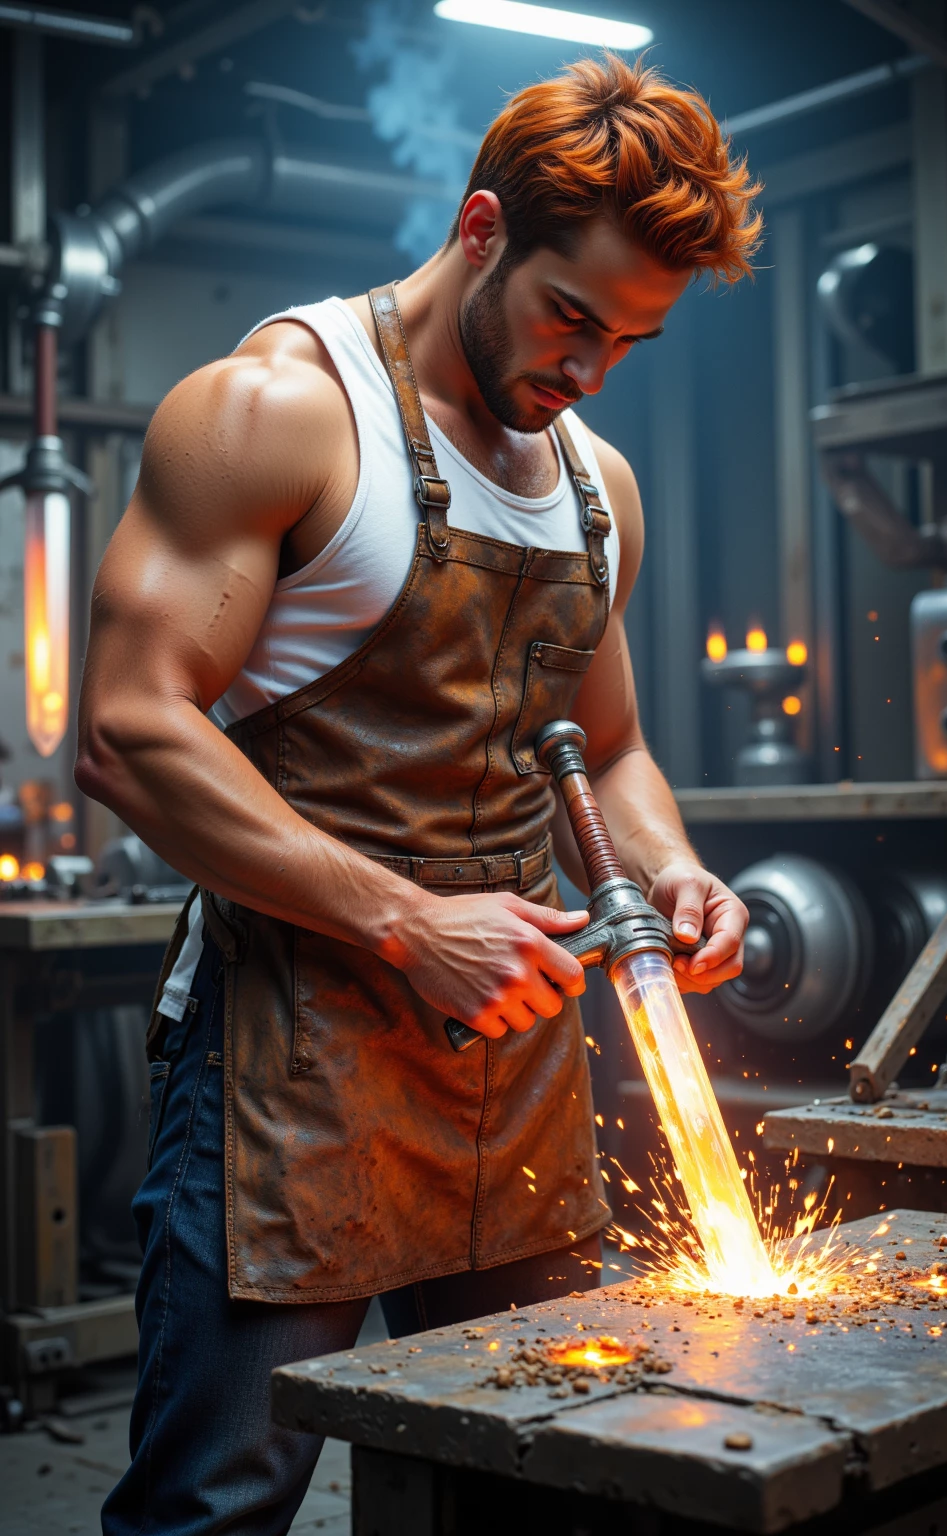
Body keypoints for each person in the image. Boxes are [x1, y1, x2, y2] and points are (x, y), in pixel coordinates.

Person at [78, 52, 761, 1535]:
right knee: (218, 1504)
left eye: (630, 342)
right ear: (479, 232)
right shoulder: (275, 411)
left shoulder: (599, 489)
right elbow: (130, 731)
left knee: (544, 1471)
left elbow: (617, 749)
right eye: (571, 316)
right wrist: (407, 921)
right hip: (289, 1064)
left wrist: (674, 874)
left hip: (510, 1075)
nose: (588, 369)